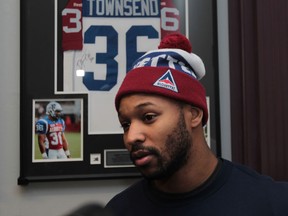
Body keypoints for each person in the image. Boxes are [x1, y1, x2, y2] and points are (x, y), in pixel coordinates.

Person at [105, 33, 288, 215]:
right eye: (125, 124)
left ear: (194, 115)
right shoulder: (119, 210)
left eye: (149, 117)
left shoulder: (272, 203)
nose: (131, 137)